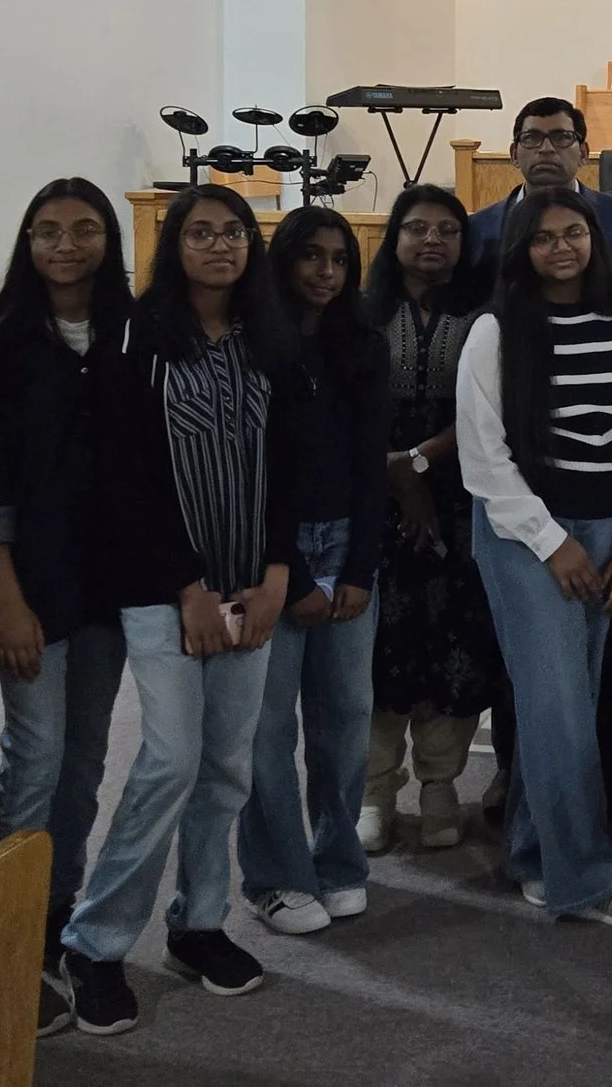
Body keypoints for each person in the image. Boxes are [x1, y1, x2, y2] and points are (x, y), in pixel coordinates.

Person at [60, 185, 298, 1036]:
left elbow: (289, 467)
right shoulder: (136, 341)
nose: (219, 245)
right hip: (167, 591)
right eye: (200, 232)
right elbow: (124, 480)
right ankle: (93, 940)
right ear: (174, 244)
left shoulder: (270, 338)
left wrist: (275, 576)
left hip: (253, 585)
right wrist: (185, 587)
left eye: (233, 231)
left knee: (229, 766)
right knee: (170, 760)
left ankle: (199, 923)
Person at [456, 191, 612, 930]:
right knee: (556, 707)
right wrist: (553, 541)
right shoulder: (495, 329)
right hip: (525, 534)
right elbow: (484, 460)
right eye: (544, 237)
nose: (561, 247)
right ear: (521, 249)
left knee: (568, 704)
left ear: (594, 239)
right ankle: (584, 875)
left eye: (573, 232)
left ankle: (531, 854)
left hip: (604, 527)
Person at [0, 177, 134, 1036]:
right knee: (35, 754)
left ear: (111, 238)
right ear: (26, 243)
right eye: (48, 230)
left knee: (86, 758)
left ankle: (54, 916)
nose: (67, 244)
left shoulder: (135, 336)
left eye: (86, 228)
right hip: (27, 586)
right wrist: (8, 600)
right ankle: (1, 927)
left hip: (109, 585)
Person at [238, 207, 390, 936]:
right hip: (270, 555)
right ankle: (275, 874)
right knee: (266, 728)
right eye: (310, 256)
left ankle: (338, 862)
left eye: (338, 259)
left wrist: (359, 562)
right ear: (284, 261)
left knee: (346, 718)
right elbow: (255, 474)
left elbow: (370, 464)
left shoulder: (361, 344)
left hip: (348, 545)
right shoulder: (253, 347)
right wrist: (292, 572)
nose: (325, 272)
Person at [360, 184, 502, 853]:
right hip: (370, 496)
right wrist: (392, 469)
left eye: (448, 229)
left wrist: (416, 463)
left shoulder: (486, 315)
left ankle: (441, 785)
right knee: (377, 643)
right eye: (416, 227)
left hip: (461, 496)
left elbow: (490, 413)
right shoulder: (361, 313)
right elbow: (337, 412)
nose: (432, 240)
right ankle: (374, 789)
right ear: (394, 237)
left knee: (454, 640)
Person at [465, 97, 612, 305]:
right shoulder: (480, 227)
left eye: (561, 137)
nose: (546, 149)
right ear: (514, 154)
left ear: (583, 153)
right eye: (531, 137)